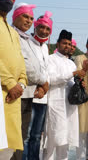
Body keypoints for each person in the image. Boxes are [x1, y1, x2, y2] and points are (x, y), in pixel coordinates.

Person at [43, 30, 88, 160]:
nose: (67, 46)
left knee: (65, 142)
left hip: (69, 106)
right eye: (64, 43)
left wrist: (80, 83)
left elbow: (70, 82)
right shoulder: (50, 59)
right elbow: (51, 79)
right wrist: (74, 74)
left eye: (69, 44)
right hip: (55, 104)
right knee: (52, 140)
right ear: (57, 44)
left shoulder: (71, 63)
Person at [11, 3, 48, 160]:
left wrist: (42, 83)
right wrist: (43, 81)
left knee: (21, 135)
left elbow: (36, 65)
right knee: (13, 137)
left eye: (31, 18)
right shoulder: (13, 35)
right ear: (16, 16)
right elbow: (24, 65)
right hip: (15, 93)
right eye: (25, 16)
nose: (28, 21)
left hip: (28, 94)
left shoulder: (25, 38)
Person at [0, 0, 27, 158]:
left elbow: (20, 63)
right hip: (4, 91)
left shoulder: (13, 32)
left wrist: (21, 85)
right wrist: (10, 84)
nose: (8, 0)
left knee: (9, 146)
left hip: (14, 95)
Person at [24, 11, 53, 160]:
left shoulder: (45, 48)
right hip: (30, 95)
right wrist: (40, 87)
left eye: (47, 29)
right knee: (27, 136)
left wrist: (44, 89)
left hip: (43, 99)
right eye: (41, 27)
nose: (44, 31)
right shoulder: (27, 42)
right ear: (35, 27)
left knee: (36, 136)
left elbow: (46, 71)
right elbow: (28, 68)